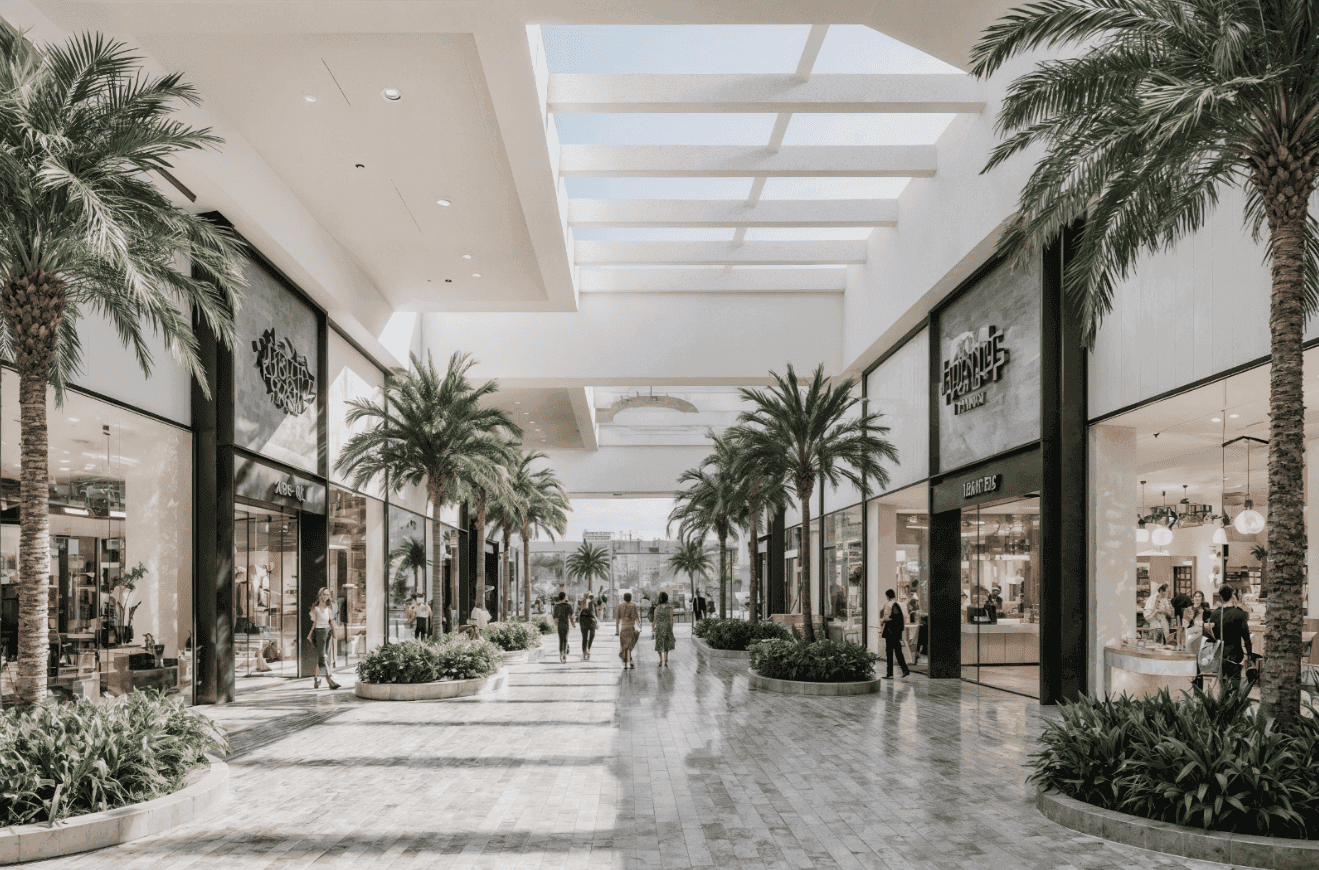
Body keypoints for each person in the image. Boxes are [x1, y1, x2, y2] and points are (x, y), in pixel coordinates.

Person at [1205, 584, 1254, 682]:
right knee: (1235, 683)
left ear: (1221, 597)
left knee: (1223, 686)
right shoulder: (1240, 614)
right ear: (1232, 595)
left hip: (1220, 654)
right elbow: (1246, 637)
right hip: (1236, 654)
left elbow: (1211, 636)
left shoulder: (1215, 614)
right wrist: (1250, 656)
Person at [307, 587, 341, 689]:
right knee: (323, 656)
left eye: (328, 595)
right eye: (325, 594)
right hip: (319, 632)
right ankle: (329, 679)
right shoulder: (315, 608)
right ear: (320, 595)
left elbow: (332, 621)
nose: (327, 596)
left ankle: (317, 679)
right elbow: (314, 623)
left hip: (328, 632)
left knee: (322, 658)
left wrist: (334, 632)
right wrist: (310, 634)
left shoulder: (329, 608)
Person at [880, 588, 910, 679]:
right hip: (895, 632)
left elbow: (889, 617)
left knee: (890, 652)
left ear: (887, 596)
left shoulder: (889, 604)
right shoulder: (897, 604)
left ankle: (891, 673)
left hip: (890, 631)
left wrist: (883, 620)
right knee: (897, 651)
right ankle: (904, 670)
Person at [616, 591, 640, 669]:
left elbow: (617, 619)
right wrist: (639, 626)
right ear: (631, 598)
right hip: (630, 628)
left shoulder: (619, 606)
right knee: (629, 646)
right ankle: (629, 662)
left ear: (624, 598)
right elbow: (636, 618)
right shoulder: (633, 606)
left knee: (624, 646)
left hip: (623, 628)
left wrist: (616, 630)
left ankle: (626, 663)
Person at [653, 591, 676, 667]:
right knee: (666, 644)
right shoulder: (670, 608)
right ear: (666, 598)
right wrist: (671, 629)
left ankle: (660, 659)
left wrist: (653, 630)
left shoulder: (657, 608)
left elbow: (654, 619)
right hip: (667, 628)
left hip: (659, 628)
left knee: (659, 643)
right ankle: (666, 659)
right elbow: (671, 620)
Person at [552, 592, 575, 663]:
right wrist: (573, 624)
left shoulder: (556, 606)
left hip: (560, 625)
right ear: (565, 597)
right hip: (565, 625)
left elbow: (556, 619)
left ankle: (561, 653)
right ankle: (564, 655)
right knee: (565, 639)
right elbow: (571, 617)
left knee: (561, 640)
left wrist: (557, 625)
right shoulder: (568, 606)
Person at [579, 593, 598, 661]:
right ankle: (586, 651)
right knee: (589, 636)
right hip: (588, 620)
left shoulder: (590, 603)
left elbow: (593, 612)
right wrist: (596, 621)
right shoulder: (587, 603)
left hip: (586, 620)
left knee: (586, 636)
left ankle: (586, 651)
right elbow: (594, 613)